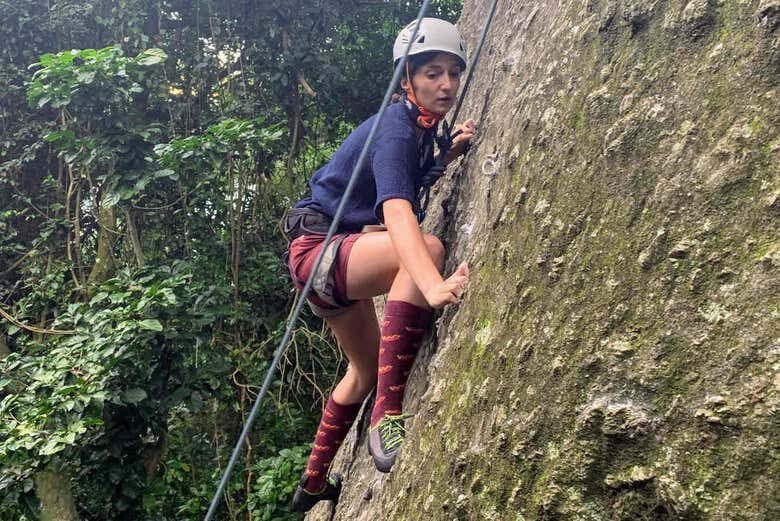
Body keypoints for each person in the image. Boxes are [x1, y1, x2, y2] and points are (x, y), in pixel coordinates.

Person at [286, 17, 475, 513]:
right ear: (405, 79)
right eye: (433, 72)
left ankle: (312, 482)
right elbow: (395, 207)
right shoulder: (395, 126)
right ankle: (386, 416)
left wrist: (447, 156)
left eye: (454, 72)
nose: (447, 84)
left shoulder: (414, 131)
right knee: (427, 251)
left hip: (322, 266)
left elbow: (403, 179)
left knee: (363, 369)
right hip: (324, 252)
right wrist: (432, 285)